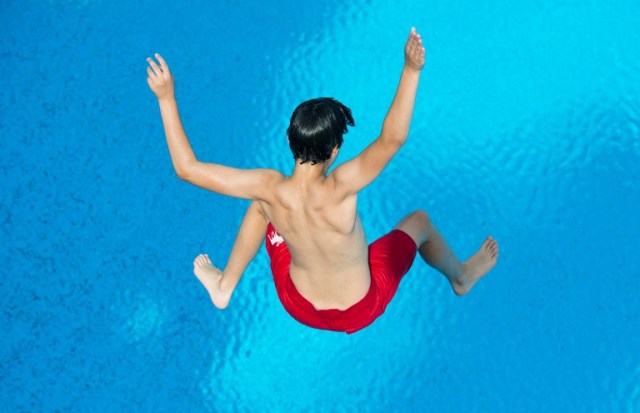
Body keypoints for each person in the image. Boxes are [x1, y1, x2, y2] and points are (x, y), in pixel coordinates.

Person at [147, 28, 499, 334]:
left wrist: (166, 97)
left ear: (289, 141)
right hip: (363, 307)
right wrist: (410, 69)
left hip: (297, 304)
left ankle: (225, 285)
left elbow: (187, 168)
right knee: (419, 221)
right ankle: (461, 277)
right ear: (334, 150)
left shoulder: (268, 188)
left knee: (260, 208)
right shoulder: (341, 187)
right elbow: (392, 139)